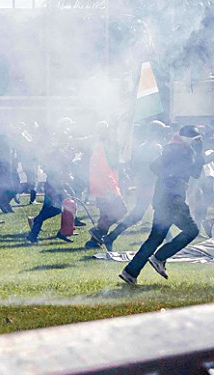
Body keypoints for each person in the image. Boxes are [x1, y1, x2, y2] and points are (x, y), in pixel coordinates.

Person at [119, 125, 205, 285]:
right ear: (190, 139)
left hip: (162, 199)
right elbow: (194, 172)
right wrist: (174, 177)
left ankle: (130, 272)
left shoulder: (173, 147)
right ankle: (159, 257)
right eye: (197, 139)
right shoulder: (183, 150)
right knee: (192, 230)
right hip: (173, 200)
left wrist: (170, 176)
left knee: (155, 238)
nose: (199, 142)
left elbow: (157, 167)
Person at [104, 121, 168, 250]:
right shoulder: (156, 147)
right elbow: (159, 167)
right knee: (146, 215)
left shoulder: (141, 147)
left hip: (144, 183)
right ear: (156, 132)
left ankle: (170, 241)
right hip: (151, 185)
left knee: (160, 215)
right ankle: (111, 237)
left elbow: (135, 166)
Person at [84, 122, 126, 249]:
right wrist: (113, 185)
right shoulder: (106, 147)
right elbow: (106, 168)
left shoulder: (99, 146)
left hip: (101, 186)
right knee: (121, 210)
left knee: (105, 215)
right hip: (107, 185)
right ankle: (98, 232)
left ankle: (93, 242)